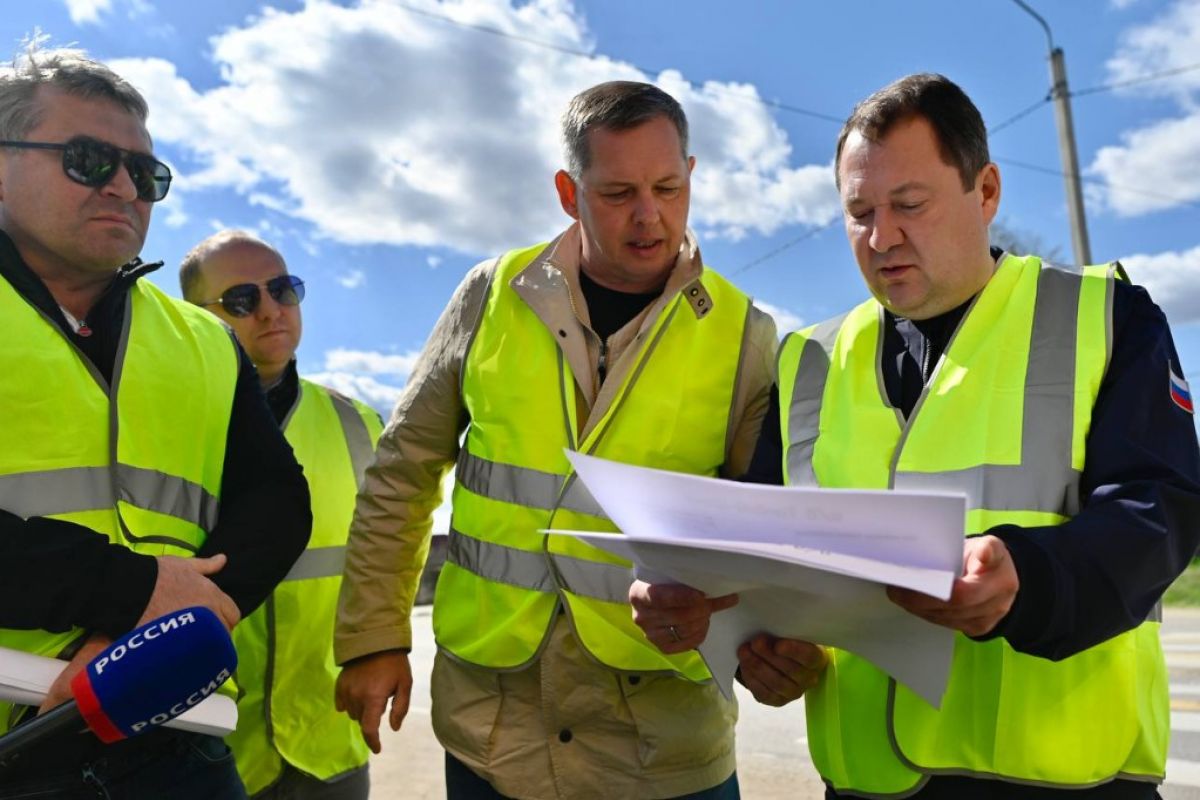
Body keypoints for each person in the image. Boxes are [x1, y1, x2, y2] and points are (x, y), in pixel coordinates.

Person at [632, 72, 1200, 799]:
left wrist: (1028, 578)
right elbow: (763, 560)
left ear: (985, 191)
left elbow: (1159, 513)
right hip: (864, 783)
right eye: (859, 212)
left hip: (1064, 778)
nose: (882, 237)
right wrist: (755, 652)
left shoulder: (1106, 316)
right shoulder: (809, 361)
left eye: (908, 205)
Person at [333, 80, 776, 799]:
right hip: (495, 730)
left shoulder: (742, 333)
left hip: (662, 743)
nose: (649, 215)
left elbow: (765, 535)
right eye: (618, 193)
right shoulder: (491, 294)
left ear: (692, 176)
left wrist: (741, 621)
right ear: (569, 193)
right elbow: (401, 474)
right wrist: (373, 637)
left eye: (668, 188)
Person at [0, 46, 311, 798]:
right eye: (87, 159)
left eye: (145, 174)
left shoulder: (204, 339)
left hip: (174, 737)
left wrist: (142, 647)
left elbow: (276, 502)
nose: (122, 187)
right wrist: (131, 591)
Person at [180, 230, 382, 799]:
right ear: (192, 316)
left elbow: (390, 556)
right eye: (242, 299)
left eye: (283, 289)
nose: (270, 310)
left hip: (329, 740)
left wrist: (381, 647)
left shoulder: (360, 424)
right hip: (206, 748)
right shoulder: (166, 420)